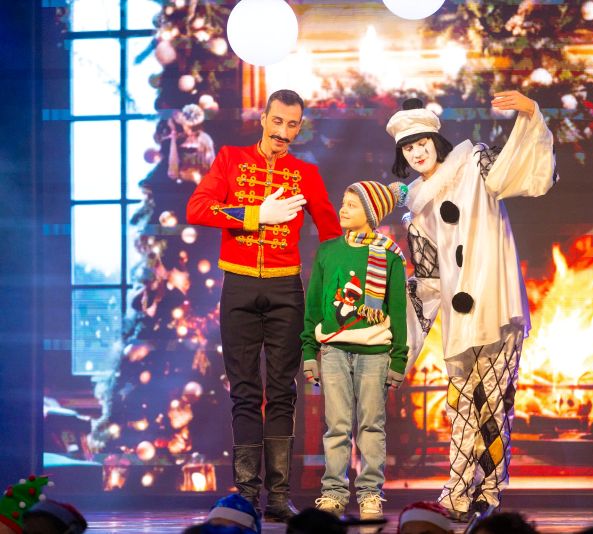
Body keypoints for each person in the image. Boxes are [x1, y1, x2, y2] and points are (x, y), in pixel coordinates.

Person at [385, 92, 557, 520]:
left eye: (421, 143)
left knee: (491, 405)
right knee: (461, 406)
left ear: (435, 141)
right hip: (459, 319)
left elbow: (522, 172)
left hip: (496, 305)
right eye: (408, 148)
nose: (417, 152)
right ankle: (457, 493)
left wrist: (530, 114)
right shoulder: (417, 207)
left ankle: (491, 492)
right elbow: (428, 282)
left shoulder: (473, 164)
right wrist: (397, 343)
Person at [186, 89, 342, 521]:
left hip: (285, 291)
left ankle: (277, 497)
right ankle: (246, 495)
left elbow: (330, 234)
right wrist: (256, 215)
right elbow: (197, 208)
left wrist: (341, 282)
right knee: (244, 393)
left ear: (299, 127)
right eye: (278, 121)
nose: (283, 132)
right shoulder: (231, 159)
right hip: (238, 287)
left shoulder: (305, 173)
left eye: (292, 125)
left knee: (282, 393)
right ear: (264, 118)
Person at [301, 180, 409, 520]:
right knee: (336, 425)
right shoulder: (328, 251)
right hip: (333, 351)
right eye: (343, 202)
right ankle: (333, 493)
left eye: (352, 205)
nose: (343, 209)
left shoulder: (389, 255)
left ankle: (370, 494)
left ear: (372, 213)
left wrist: (399, 358)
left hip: (375, 353)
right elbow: (314, 305)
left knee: (371, 426)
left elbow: (398, 310)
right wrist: (309, 351)